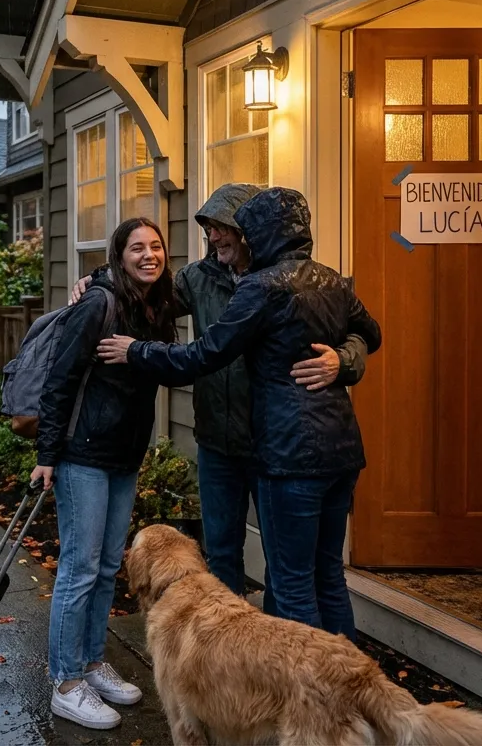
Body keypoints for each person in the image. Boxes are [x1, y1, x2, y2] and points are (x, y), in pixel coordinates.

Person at [96, 187, 381, 640]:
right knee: (269, 562)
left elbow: (362, 334)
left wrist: (341, 362)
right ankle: (240, 656)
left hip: (280, 448)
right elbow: (144, 290)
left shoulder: (270, 285)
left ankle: (297, 682)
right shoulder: (207, 279)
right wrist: (99, 282)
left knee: (289, 579)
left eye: (222, 228)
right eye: (208, 230)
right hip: (249, 442)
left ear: (251, 232)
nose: (212, 238)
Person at [31, 216, 178, 730]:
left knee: (108, 568)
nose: (148, 255)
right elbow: (59, 380)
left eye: (156, 246)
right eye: (136, 248)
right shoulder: (100, 303)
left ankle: (92, 662)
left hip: (124, 456)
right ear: (120, 255)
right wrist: (47, 454)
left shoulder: (157, 304)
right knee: (79, 567)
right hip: (83, 455)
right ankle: (66, 682)